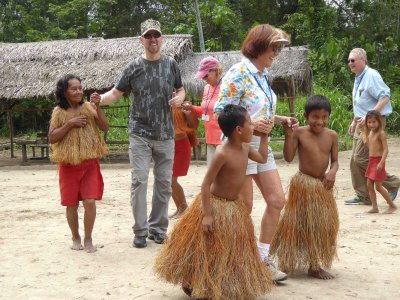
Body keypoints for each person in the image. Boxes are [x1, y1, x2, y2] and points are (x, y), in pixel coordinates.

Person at [154, 104, 273, 299]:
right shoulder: (222, 153)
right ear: (239, 130)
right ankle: (193, 280)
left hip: (233, 208)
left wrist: (264, 137)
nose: (254, 127)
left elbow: (261, 157)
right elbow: (205, 184)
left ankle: (216, 282)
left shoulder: (245, 148)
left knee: (226, 249)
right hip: (215, 205)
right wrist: (207, 214)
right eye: (251, 124)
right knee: (206, 248)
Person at [90, 19, 185, 248]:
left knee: (163, 183)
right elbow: (116, 93)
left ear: (161, 39)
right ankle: (140, 231)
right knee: (139, 180)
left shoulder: (171, 64)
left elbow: (181, 88)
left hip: (165, 134)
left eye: (156, 36)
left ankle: (158, 229)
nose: (153, 40)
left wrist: (180, 97)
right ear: (141, 40)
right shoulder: (133, 66)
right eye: (148, 36)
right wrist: (99, 100)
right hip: (140, 132)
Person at [214, 24, 297, 281]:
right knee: (244, 207)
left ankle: (262, 259)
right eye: (275, 47)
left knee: (276, 200)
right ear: (259, 45)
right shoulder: (238, 73)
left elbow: (256, 110)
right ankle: (232, 260)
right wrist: (247, 127)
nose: (277, 53)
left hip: (261, 144)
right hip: (239, 147)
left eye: (280, 48)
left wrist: (280, 119)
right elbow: (220, 113)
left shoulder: (261, 74)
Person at [270, 95, 339, 280]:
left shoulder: (332, 135)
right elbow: (288, 157)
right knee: (296, 225)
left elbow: (335, 162)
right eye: (315, 117)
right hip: (303, 185)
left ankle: (314, 265)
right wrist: (288, 134)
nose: (320, 121)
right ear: (306, 115)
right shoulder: (299, 133)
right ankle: (287, 260)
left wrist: (332, 172)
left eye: (324, 117)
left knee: (319, 227)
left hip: (321, 187)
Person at [48, 74, 109, 253]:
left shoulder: (89, 107)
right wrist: (70, 124)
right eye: (74, 88)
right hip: (68, 165)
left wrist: (97, 108)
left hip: (89, 163)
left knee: (90, 201)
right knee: (71, 204)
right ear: (64, 91)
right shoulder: (59, 111)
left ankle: (88, 238)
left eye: (80, 88)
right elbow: (52, 138)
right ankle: (75, 237)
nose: (79, 91)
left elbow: (105, 127)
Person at [345, 48, 399, 205]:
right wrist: (354, 121)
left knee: (360, 158)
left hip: (373, 123)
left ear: (363, 60)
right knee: (354, 161)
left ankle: (393, 183)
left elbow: (385, 97)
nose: (350, 63)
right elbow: (362, 103)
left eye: (353, 60)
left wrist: (370, 116)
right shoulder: (358, 77)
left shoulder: (371, 76)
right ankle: (364, 195)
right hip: (361, 122)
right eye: (348, 60)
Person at [190, 56, 224, 165]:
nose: (204, 79)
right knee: (213, 176)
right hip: (210, 138)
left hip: (224, 139)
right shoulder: (206, 88)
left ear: (215, 71)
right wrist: (190, 108)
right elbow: (205, 112)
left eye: (205, 75)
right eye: (202, 76)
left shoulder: (227, 87)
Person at [362, 110, 397, 214]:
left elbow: (386, 149)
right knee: (369, 185)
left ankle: (392, 205)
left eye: (374, 122)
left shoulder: (381, 133)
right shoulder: (370, 132)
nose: (371, 124)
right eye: (369, 122)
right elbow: (366, 142)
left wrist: (381, 162)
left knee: (378, 186)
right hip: (372, 161)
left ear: (379, 121)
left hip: (378, 161)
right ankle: (375, 207)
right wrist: (363, 131)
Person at [169, 101, 199, 219]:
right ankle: (179, 209)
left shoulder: (183, 107)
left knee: (171, 180)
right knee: (169, 181)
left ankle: (183, 208)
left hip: (180, 145)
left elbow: (194, 125)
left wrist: (188, 114)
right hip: (168, 145)